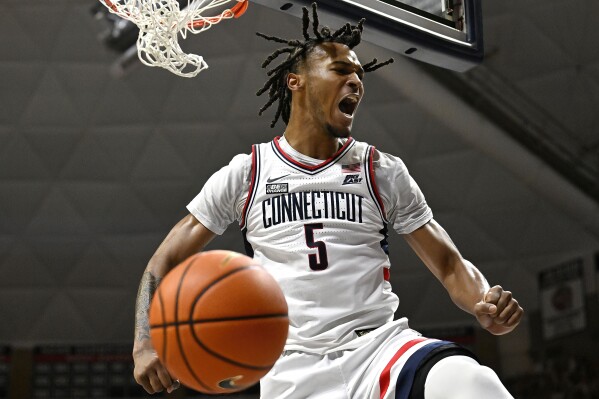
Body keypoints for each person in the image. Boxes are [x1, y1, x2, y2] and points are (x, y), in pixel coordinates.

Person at [132, 3, 523, 398]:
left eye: (359, 74)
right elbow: (163, 260)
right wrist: (145, 341)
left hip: (379, 349)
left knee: (472, 382)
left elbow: (449, 263)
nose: (356, 81)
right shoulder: (248, 172)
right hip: (291, 367)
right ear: (295, 82)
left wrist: (482, 302)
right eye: (341, 71)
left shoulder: (379, 169)